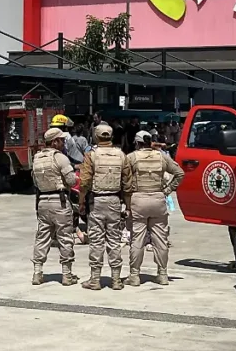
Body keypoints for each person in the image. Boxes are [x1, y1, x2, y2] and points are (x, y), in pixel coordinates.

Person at [123, 130, 184, 286]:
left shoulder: (131, 158)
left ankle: (135, 275)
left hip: (138, 200)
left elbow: (124, 180)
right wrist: (167, 190)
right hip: (158, 199)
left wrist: (126, 200)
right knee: (160, 239)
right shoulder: (161, 156)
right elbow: (179, 173)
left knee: (137, 239)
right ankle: (162, 274)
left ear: (137, 143)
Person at [77, 124, 131, 291]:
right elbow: (127, 184)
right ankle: (116, 280)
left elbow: (84, 182)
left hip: (97, 202)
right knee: (114, 240)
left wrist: (81, 201)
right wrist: (127, 206)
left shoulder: (91, 155)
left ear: (96, 137)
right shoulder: (121, 155)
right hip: (115, 201)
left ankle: (95, 279)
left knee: (96, 241)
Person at [31, 127, 80, 286]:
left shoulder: (37, 158)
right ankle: (67, 275)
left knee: (42, 237)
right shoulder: (60, 158)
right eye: (61, 140)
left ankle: (37, 273)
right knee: (65, 237)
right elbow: (72, 181)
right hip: (60, 201)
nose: (64, 143)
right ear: (54, 142)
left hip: (43, 202)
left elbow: (35, 181)